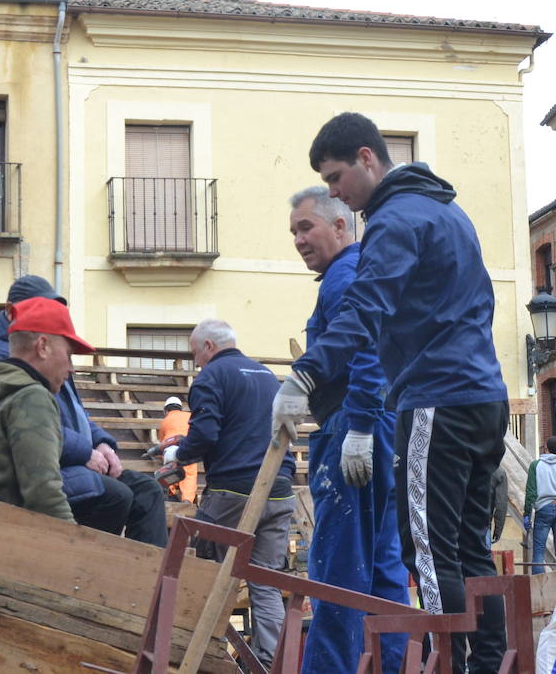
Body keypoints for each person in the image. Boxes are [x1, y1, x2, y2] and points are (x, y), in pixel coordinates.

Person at [272, 113, 509, 674]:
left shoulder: (394, 220)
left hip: (436, 400)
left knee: (426, 553)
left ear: (366, 158)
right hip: (483, 396)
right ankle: (492, 664)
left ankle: (449, 666)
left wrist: (306, 373)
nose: (335, 193)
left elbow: (367, 310)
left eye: (335, 179)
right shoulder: (450, 211)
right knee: (471, 550)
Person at [286, 188, 408, 674]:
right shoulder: (354, 274)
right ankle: (392, 666)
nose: (297, 240)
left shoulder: (342, 279)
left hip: (355, 425)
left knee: (338, 571)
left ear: (341, 226)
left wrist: (356, 423)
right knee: (381, 568)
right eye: (293, 231)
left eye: (305, 227)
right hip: (377, 426)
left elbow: (367, 349)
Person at [0, 274, 167, 546]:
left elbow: (76, 411)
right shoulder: (5, 360)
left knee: (146, 490)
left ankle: (148, 577)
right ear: (41, 346)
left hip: (63, 457)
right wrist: (84, 452)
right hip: (52, 462)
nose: (72, 367)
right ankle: (99, 576)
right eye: (38, 308)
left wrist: (101, 443)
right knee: (114, 495)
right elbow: (30, 443)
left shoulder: (52, 356)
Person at [168, 318, 296, 669]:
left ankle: (205, 658)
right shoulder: (268, 376)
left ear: (209, 346)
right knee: (266, 580)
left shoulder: (211, 376)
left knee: (205, 573)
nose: (196, 362)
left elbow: (206, 434)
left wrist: (178, 455)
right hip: (279, 491)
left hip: (233, 493)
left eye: (195, 353)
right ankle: (269, 665)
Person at [0, 297, 89, 522]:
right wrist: (76, 552)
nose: (71, 367)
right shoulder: (31, 396)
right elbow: (44, 495)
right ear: (43, 346)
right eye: (69, 354)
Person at [524, 436, 556, 573]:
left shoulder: (536, 466)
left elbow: (531, 492)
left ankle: (539, 590)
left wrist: (527, 514)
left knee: (538, 552)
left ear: (546, 448)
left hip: (543, 509)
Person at [156, 395, 196, 503]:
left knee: (170, 472)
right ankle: (187, 500)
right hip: (188, 448)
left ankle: (171, 495)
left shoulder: (166, 420)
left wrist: (160, 456)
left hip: (171, 450)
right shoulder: (190, 416)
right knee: (189, 474)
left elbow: (162, 441)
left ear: (166, 410)